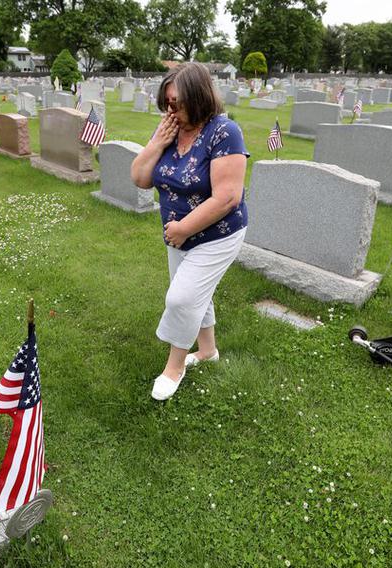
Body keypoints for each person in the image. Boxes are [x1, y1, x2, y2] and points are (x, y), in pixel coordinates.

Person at [130, 63, 249, 401]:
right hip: (177, 233)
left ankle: (174, 366)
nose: (171, 110)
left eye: (177, 103)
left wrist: (183, 228)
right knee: (197, 292)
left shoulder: (225, 132)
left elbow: (227, 197)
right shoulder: (170, 129)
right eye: (167, 103)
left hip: (217, 233)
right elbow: (139, 178)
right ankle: (208, 350)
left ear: (198, 98)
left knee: (181, 298)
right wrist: (157, 142)